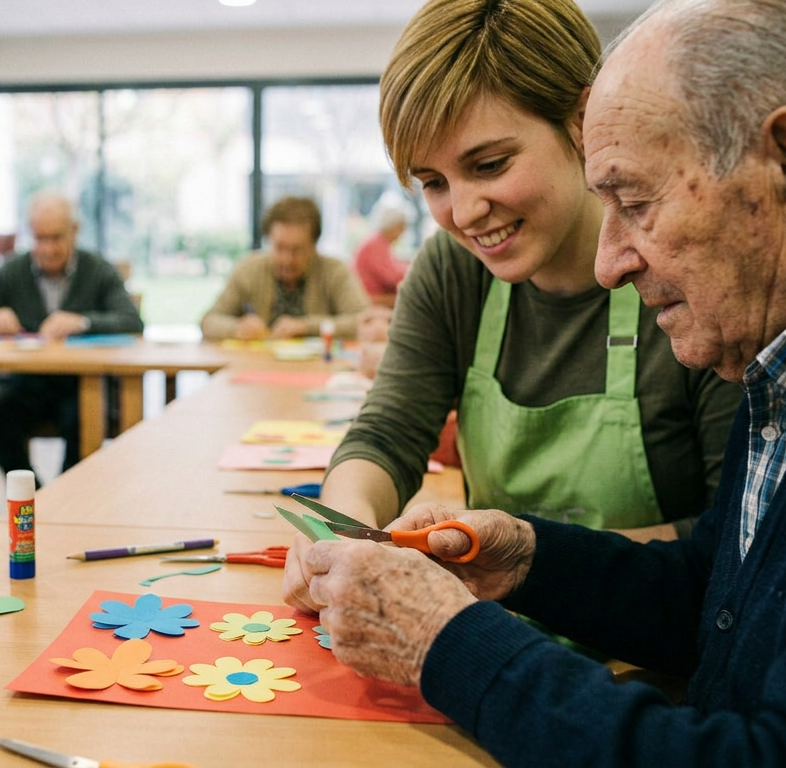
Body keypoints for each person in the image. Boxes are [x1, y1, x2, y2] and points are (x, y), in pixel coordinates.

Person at [302, 0, 786, 764]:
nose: (610, 265)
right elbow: (721, 591)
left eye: (634, 202)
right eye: (432, 181)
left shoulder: (748, 340)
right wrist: (530, 556)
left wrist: (448, 640)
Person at [282, 0, 740, 557]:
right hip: (493, 624)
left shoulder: (688, 274)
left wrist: (524, 561)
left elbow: (734, 541)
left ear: (582, 122)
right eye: (434, 182)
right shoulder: (453, 272)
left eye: (489, 165)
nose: (465, 211)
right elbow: (388, 433)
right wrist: (346, 531)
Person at [0, 192, 143, 478]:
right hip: (28, 381)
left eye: (56, 238)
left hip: (83, 383)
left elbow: (132, 321)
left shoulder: (98, 270)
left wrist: (82, 322)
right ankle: (36, 498)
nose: (47, 249)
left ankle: (67, 502)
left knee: (83, 420)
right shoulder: (13, 270)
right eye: (39, 239)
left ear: (74, 232)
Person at [200, 196, 369, 340]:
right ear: (268, 240)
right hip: (258, 368)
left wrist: (305, 326)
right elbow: (209, 321)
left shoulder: (334, 271)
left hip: (317, 371)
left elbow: (363, 320)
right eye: (279, 248)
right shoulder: (249, 269)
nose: (287, 259)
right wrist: (236, 328)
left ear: (314, 246)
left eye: (297, 250)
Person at [352, 204, 410, 306]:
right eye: (401, 227)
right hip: (371, 299)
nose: (402, 233)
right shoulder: (376, 244)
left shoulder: (379, 241)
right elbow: (393, 276)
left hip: (373, 296)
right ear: (393, 226)